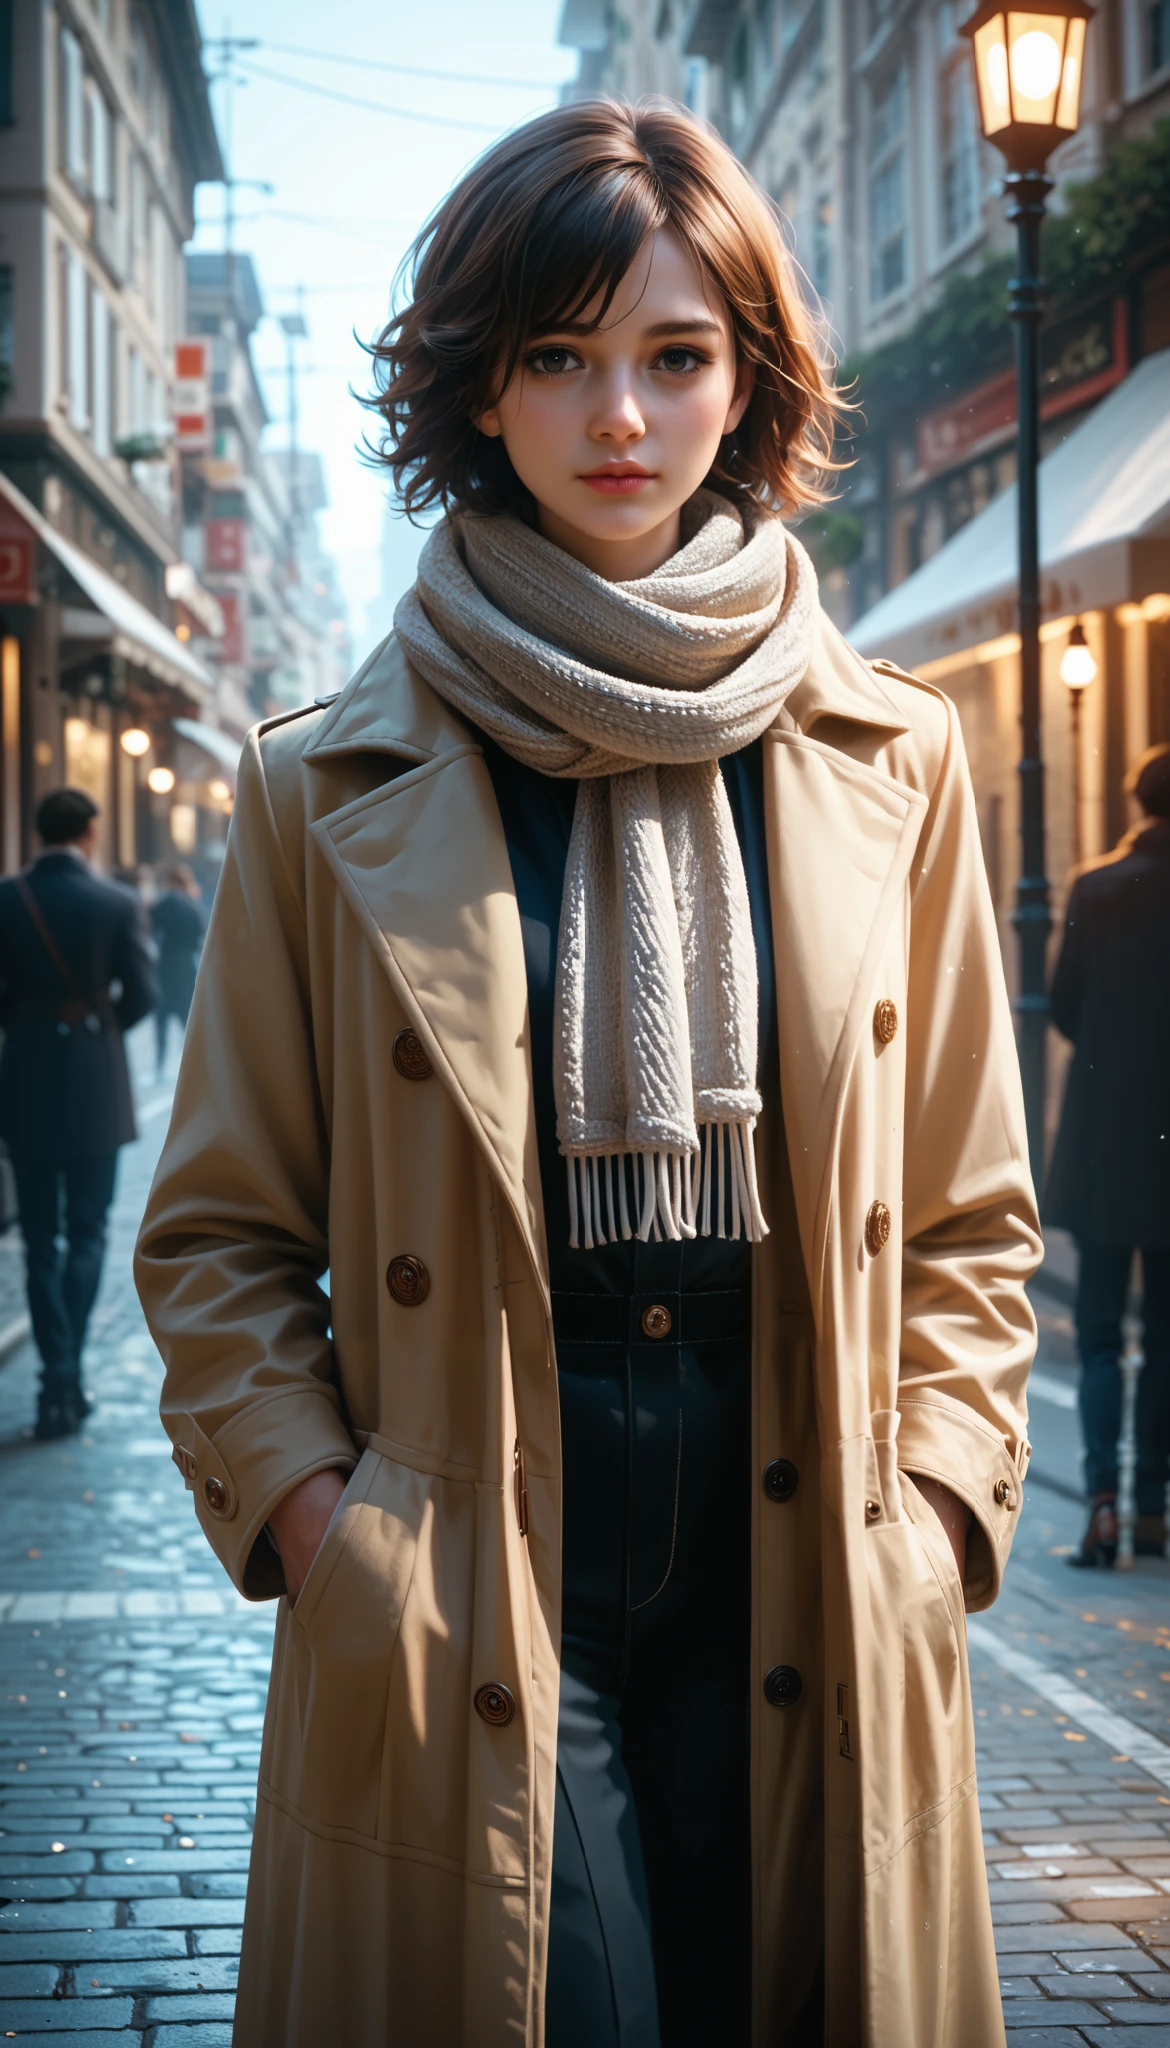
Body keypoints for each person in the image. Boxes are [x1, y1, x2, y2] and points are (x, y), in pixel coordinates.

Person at [135, 101, 1039, 2048]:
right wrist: (334, 1533)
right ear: (479, 385)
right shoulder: (324, 784)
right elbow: (216, 1235)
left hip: (803, 1576)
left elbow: (972, 1211)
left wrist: (938, 1517)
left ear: (750, 379)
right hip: (474, 1600)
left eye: (674, 354)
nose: (616, 412)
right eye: (556, 354)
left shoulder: (897, 758)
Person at [1045, 741, 1170, 1569]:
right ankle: (1152, 1509)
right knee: (1162, 1335)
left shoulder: (1095, 889)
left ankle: (1097, 1506)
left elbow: (1061, 1009)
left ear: (1136, 801)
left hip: (1100, 1151)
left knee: (1096, 1332)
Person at [0, 788, 156, 1438]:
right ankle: (68, 1375)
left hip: (27, 1075)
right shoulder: (117, 902)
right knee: (89, 1232)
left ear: (40, 831)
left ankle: (54, 1377)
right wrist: (95, 1024)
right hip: (96, 1076)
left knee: (39, 1239)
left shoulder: (7, 898)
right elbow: (144, 995)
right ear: (92, 830)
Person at [150, 863, 205, 1077]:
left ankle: (160, 1067)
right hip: (186, 969)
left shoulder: (163, 903)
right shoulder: (193, 905)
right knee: (187, 1021)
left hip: (165, 967)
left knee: (161, 1021)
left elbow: (149, 931)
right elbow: (201, 936)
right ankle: (195, 1071)